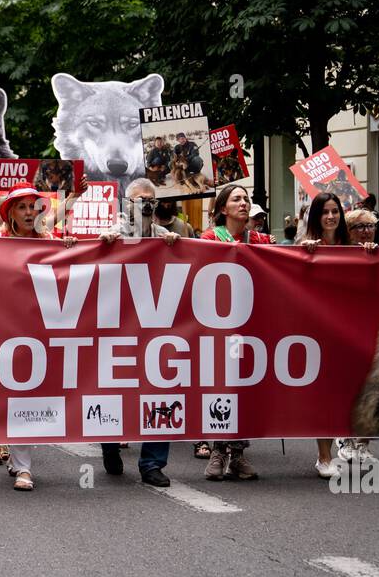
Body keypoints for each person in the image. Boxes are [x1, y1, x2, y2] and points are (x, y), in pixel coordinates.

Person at [0, 185, 78, 490]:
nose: (29, 212)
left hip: (40, 332)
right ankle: (19, 461)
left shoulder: (50, 241)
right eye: (22, 207)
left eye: (34, 207)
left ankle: (21, 463)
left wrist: (70, 249)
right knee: (8, 395)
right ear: (11, 213)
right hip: (1, 331)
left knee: (25, 394)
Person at [99, 178, 180, 484]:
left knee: (162, 389)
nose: (145, 204)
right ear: (127, 203)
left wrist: (176, 247)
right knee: (114, 389)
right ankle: (109, 443)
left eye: (150, 199)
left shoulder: (169, 237)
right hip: (117, 329)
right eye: (139, 199)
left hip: (158, 330)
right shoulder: (110, 236)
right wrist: (102, 247)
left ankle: (152, 464)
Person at [299, 193, 378, 476]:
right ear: (316, 217)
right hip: (318, 332)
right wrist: (304, 254)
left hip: (346, 330)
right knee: (324, 394)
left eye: (335, 212)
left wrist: (369, 254)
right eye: (325, 212)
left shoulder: (351, 248)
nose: (331, 217)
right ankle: (324, 457)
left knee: (348, 392)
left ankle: (352, 442)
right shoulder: (306, 246)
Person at [199, 184, 272, 480]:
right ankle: (218, 449)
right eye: (236, 199)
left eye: (246, 199)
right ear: (222, 209)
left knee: (246, 386)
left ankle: (239, 454)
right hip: (219, 323)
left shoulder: (262, 240)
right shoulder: (208, 239)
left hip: (253, 323)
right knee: (221, 385)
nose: (243, 204)